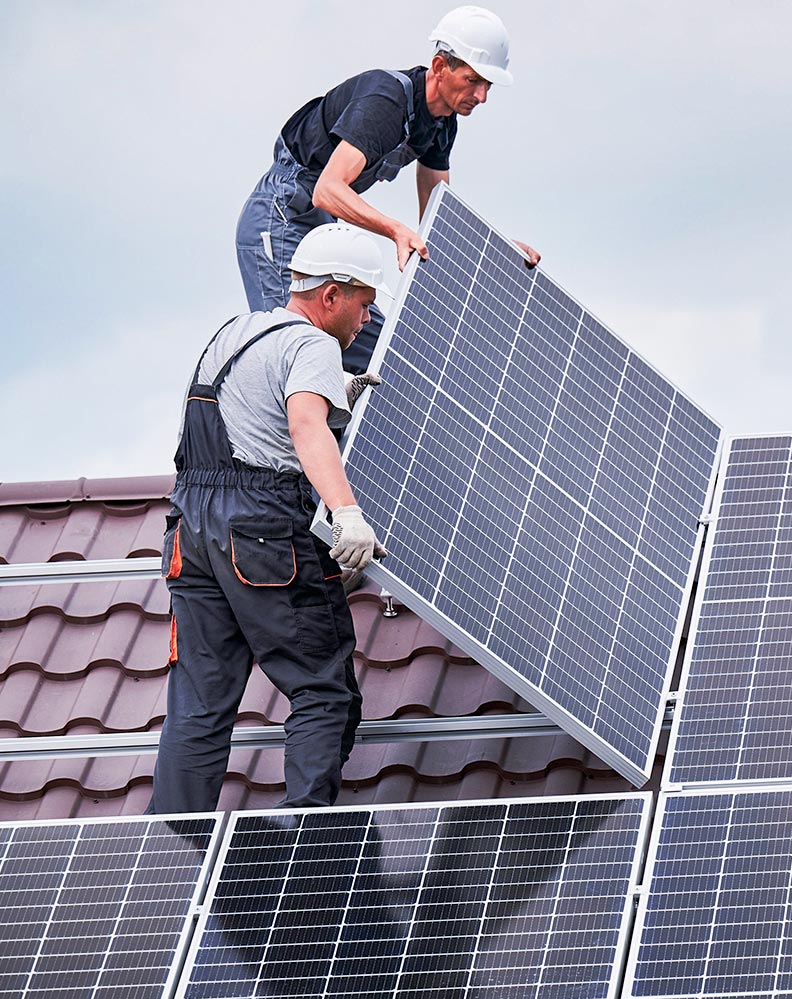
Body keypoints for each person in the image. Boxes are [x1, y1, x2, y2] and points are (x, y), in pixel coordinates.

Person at [149, 223, 390, 814]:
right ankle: (301, 855)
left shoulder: (233, 331)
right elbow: (304, 428)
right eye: (362, 305)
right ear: (330, 295)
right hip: (259, 529)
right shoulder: (313, 346)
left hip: (191, 529)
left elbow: (249, 419)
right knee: (321, 689)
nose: (365, 321)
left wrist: (335, 398)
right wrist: (347, 512)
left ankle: (170, 862)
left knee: (200, 704)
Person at [235, 5, 539, 375]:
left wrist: (497, 251)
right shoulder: (387, 101)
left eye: (488, 85)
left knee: (385, 359)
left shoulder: (443, 125)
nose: (482, 95)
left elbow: (438, 220)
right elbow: (327, 190)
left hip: (322, 229)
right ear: (440, 67)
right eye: (474, 80)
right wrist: (394, 229)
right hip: (281, 216)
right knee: (296, 348)